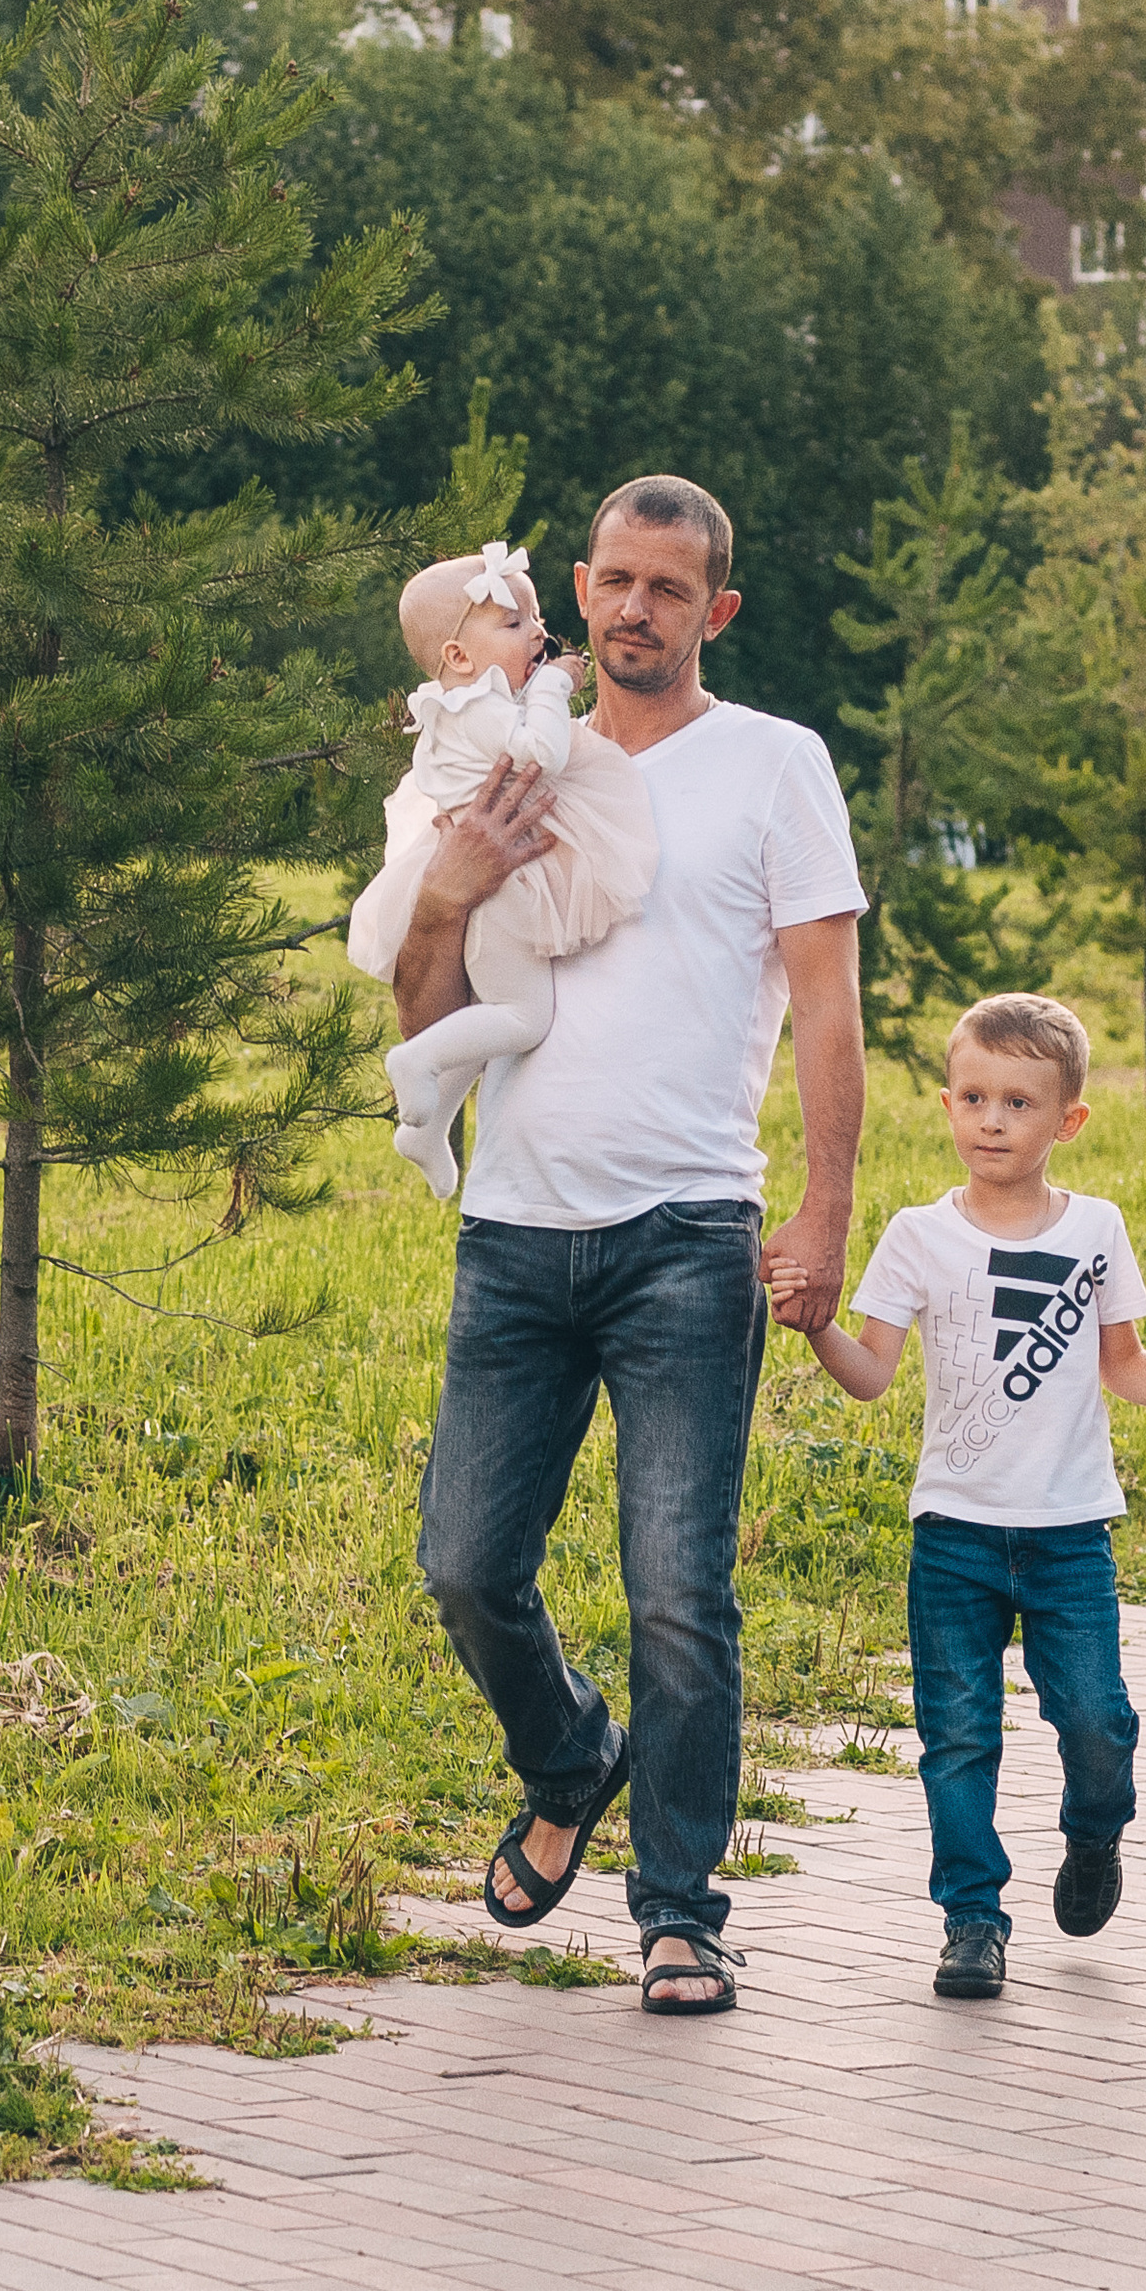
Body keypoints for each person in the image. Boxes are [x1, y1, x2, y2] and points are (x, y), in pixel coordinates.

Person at [397, 473, 867, 2017]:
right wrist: (447, 895)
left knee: (679, 1589)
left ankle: (678, 1912)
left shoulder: (775, 764)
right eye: (612, 579)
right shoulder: (513, 757)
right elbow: (422, 1014)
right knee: (466, 1566)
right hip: (515, 1236)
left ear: (713, 609)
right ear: (577, 591)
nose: (634, 609)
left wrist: (823, 1209)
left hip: (689, 1233)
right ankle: (569, 1758)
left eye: (668, 587)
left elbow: (826, 1008)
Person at [774, 995, 1146, 2001]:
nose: (991, 1120)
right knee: (958, 1737)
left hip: (1069, 1536)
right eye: (973, 1097)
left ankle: (1094, 1830)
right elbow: (871, 1373)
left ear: (1069, 1120)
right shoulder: (918, 1236)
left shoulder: (1096, 1229)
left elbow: (1122, 1364)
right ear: (945, 1103)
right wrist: (815, 1327)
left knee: (1096, 1722)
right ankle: (972, 1920)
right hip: (954, 1535)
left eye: (1019, 1102)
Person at [349, 539, 658, 1198]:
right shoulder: (478, 707)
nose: (538, 632)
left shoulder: (474, 704)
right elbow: (541, 751)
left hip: (504, 876)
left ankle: (428, 1129)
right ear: (459, 657)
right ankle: (414, 1061)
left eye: (537, 617)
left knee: (490, 1014)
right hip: (501, 878)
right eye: (514, 623)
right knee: (523, 1016)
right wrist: (553, 683)